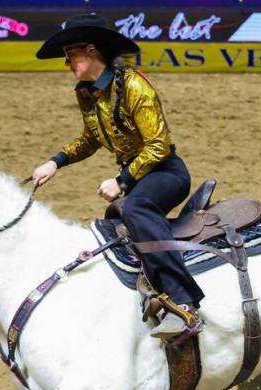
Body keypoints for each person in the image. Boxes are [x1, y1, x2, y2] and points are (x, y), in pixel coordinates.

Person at [32, 13, 205, 342]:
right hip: (137, 174)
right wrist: (54, 162)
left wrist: (122, 181)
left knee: (136, 208)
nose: (67, 63)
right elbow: (91, 139)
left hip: (166, 172)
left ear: (91, 51)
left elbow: (158, 145)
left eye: (70, 55)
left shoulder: (136, 87)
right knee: (116, 221)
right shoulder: (87, 93)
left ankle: (183, 303)